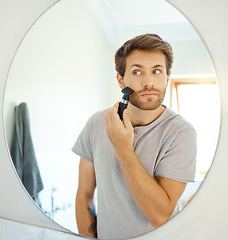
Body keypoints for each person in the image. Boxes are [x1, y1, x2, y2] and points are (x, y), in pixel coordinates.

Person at [72, 33, 196, 239]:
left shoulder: (181, 133)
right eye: (137, 72)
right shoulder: (96, 123)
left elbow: (159, 216)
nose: (149, 82)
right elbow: (84, 196)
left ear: (167, 77)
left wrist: (122, 147)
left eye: (157, 71)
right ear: (121, 80)